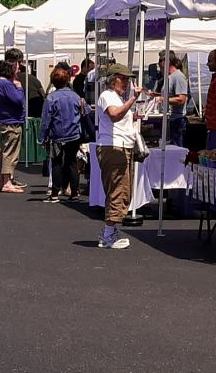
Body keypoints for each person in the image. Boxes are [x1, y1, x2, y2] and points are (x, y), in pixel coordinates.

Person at [94, 65, 142, 250]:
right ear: (113, 79)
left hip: (119, 147)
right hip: (114, 148)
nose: (127, 82)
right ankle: (108, 233)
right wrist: (133, 99)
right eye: (124, 79)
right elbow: (114, 115)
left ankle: (110, 231)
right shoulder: (107, 95)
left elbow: (117, 117)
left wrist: (132, 114)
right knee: (117, 190)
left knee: (121, 190)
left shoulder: (115, 97)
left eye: (128, 79)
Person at [41, 64, 88, 202]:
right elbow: (87, 111)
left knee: (56, 163)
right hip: (74, 134)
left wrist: (42, 137)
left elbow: (46, 120)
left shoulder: (51, 98)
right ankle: (74, 192)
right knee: (71, 162)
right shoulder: (75, 96)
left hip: (57, 135)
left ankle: (55, 194)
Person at [0, 56, 27, 194]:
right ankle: (7, 182)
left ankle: (2, 181)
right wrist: (19, 87)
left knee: (4, 151)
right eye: (17, 68)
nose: (18, 71)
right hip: (11, 123)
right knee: (10, 153)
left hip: (4, 121)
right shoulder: (7, 84)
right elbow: (18, 100)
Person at [160, 52, 192, 147]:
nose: (159, 64)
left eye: (160, 60)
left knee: (177, 149)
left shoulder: (178, 76)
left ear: (167, 62)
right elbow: (170, 95)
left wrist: (162, 99)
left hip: (178, 120)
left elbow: (181, 99)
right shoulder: (170, 77)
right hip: (172, 119)